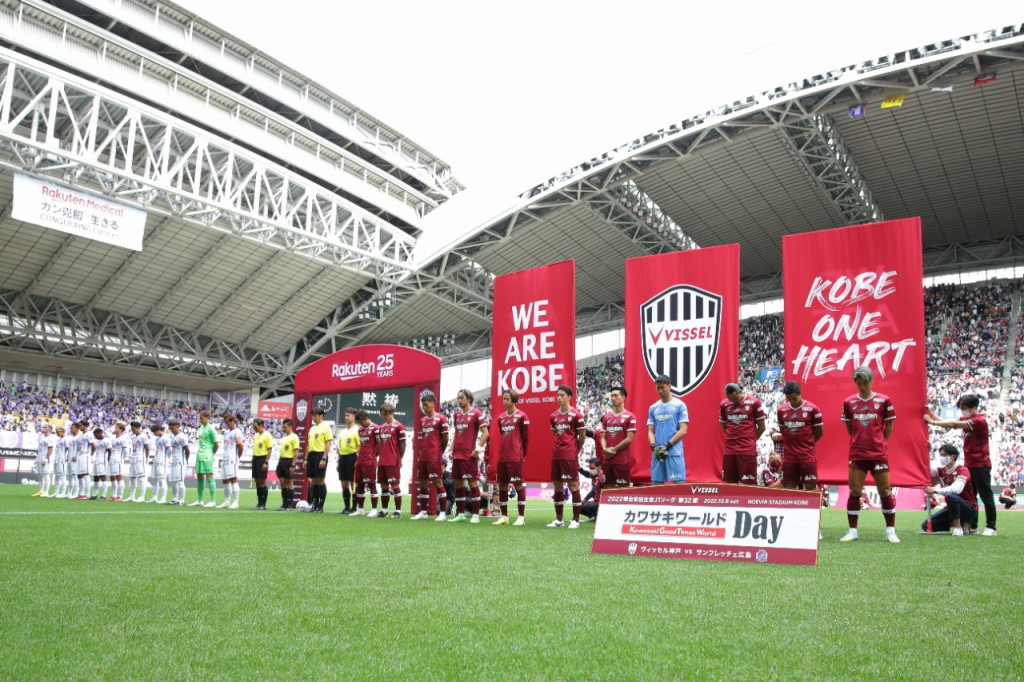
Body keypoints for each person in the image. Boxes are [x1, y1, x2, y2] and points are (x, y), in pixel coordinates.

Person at [839, 366, 899, 543]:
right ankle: (852, 531)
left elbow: (889, 427)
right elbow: (850, 429)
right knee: (854, 491)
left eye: (865, 383)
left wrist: (878, 442)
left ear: (871, 381)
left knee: (885, 490)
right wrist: (861, 441)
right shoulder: (849, 402)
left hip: (878, 453)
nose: (862, 387)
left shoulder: (884, 400)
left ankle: (890, 531)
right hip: (857, 453)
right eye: (859, 383)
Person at [924, 394, 997, 536]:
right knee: (971, 496)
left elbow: (953, 424)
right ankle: (973, 526)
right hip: (969, 463)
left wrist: (932, 422)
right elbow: (948, 422)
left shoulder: (979, 421)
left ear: (973, 407)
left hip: (981, 464)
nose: (962, 411)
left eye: (964, 408)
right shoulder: (967, 420)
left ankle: (991, 527)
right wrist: (931, 414)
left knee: (986, 495)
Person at [549, 384, 586, 529]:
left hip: (570, 455)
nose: (559, 398)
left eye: (562, 395)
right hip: (556, 454)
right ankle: (559, 519)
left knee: (573, 485)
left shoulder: (577, 415)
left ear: (569, 397)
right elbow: (555, 434)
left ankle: (575, 520)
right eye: (558, 395)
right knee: (557, 485)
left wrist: (576, 450)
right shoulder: (553, 416)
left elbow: (582, 436)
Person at [448, 389, 488, 524]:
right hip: (457, 455)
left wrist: (478, 449)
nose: (459, 400)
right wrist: (452, 448)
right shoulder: (457, 414)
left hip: (469, 455)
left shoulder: (476, 413)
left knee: (472, 483)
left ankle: (475, 515)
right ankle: (460, 514)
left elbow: (486, 433)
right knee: (458, 484)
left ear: (469, 399)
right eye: (458, 398)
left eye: (462, 397)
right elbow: (457, 433)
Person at [777, 381, 823, 492]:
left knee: (811, 489)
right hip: (789, 458)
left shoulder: (813, 409)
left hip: (807, 457)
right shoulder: (781, 410)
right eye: (789, 399)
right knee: (788, 489)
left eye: (794, 398)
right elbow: (783, 431)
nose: (792, 401)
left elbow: (819, 432)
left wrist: (807, 443)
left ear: (800, 394)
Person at [923, 443, 978, 536]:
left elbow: (956, 489)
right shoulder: (942, 471)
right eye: (940, 455)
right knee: (926, 525)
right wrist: (925, 452)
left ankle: (958, 528)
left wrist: (935, 490)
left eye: (944, 455)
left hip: (968, 508)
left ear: (953, 457)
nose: (941, 458)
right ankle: (962, 524)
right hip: (952, 507)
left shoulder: (962, 470)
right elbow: (926, 469)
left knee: (950, 495)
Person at [493, 388, 529, 526]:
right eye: (503, 398)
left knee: (518, 484)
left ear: (514, 400)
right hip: (503, 456)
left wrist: (521, 454)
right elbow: (503, 435)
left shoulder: (522, 416)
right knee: (502, 485)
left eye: (507, 398)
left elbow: (525, 438)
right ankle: (504, 516)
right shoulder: (501, 418)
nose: (505, 401)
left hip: (515, 456)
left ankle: (521, 517)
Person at [411, 390, 449, 521]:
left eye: (426, 404)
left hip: (434, 456)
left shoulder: (441, 419)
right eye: (423, 405)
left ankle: (443, 513)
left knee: (438, 482)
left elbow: (445, 438)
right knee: (422, 482)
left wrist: (439, 451)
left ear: (433, 403)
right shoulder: (423, 420)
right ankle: (423, 512)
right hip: (423, 456)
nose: (424, 407)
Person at [719, 383, 766, 485]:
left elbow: (762, 427)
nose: (732, 401)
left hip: (747, 449)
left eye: (734, 398)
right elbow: (724, 427)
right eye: (730, 399)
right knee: (728, 482)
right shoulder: (724, 404)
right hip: (730, 449)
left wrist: (751, 440)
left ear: (740, 392)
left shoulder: (754, 402)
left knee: (749, 483)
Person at [647, 374, 689, 486]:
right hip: (658, 453)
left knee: (679, 485)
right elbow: (650, 431)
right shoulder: (653, 408)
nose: (660, 391)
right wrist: (654, 446)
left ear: (669, 386)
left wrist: (667, 446)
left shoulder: (680, 405)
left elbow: (683, 430)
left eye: (662, 387)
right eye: (658, 388)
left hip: (674, 451)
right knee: (657, 485)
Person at [599, 386, 636, 491]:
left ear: (623, 397)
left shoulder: (630, 416)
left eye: (616, 396)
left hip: (622, 460)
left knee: (623, 489)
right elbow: (603, 437)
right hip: (607, 459)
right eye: (612, 396)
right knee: (607, 488)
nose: (613, 398)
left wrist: (613, 450)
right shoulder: (607, 417)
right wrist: (604, 449)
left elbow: (629, 439)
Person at [375, 403, 406, 519]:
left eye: (385, 414)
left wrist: (400, 458)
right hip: (382, 461)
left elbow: (403, 444)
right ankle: (384, 511)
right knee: (383, 486)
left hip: (393, 460)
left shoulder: (399, 426)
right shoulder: (381, 428)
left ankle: (398, 511)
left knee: (395, 485)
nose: (384, 417)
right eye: (382, 415)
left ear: (391, 413)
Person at [305, 408, 333, 512]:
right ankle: (315, 504)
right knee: (313, 481)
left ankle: (321, 506)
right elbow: (309, 444)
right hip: (311, 455)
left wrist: (324, 458)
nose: (313, 417)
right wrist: (306, 458)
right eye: (312, 415)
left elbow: (328, 443)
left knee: (320, 480)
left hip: (320, 454)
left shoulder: (326, 427)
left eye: (315, 415)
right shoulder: (312, 429)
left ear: (321, 415)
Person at [353, 410, 379, 516]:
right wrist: (358, 459)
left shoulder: (375, 428)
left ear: (366, 418)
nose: (361, 424)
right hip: (360, 461)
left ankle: (374, 510)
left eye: (361, 421)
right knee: (360, 485)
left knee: (371, 484)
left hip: (370, 461)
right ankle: (360, 510)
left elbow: (379, 444)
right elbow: (361, 445)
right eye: (359, 422)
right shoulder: (360, 430)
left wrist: (374, 456)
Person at [335, 407, 360, 514]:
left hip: (352, 457)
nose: (346, 417)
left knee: (353, 483)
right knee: (344, 483)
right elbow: (339, 448)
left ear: (354, 417)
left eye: (348, 415)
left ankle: (354, 507)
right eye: (345, 415)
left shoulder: (357, 430)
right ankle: (346, 507)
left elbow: (360, 446)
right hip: (343, 459)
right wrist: (338, 461)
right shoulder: (342, 432)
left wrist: (357, 460)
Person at [190, 410, 218, 507]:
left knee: (209, 475)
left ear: (207, 418)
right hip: (200, 455)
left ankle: (213, 501)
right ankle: (200, 500)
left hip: (207, 455)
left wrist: (212, 452)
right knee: (200, 476)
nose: (200, 420)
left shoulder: (211, 429)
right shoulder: (200, 429)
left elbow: (216, 444)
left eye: (201, 418)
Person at [217, 414, 243, 509]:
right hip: (225, 458)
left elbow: (241, 446)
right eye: (225, 423)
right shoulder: (226, 433)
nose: (227, 424)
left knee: (233, 479)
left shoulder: (237, 432)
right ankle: (227, 501)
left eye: (228, 422)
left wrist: (237, 457)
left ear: (233, 421)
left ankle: (235, 502)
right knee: (225, 480)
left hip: (232, 459)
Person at [275, 419, 299, 510]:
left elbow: (296, 452)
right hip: (282, 461)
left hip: (289, 461)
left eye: (285, 427)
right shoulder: (284, 438)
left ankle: (288, 505)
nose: (283, 428)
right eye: (283, 427)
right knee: (283, 483)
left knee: (290, 483)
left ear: (290, 426)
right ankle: (284, 504)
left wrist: (293, 465)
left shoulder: (294, 437)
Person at [250, 418, 273, 510]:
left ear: (261, 426)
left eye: (255, 427)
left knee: (262, 481)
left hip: (262, 459)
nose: (254, 429)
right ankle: (259, 503)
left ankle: (263, 504)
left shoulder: (267, 435)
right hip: (255, 459)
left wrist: (266, 462)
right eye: (253, 427)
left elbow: (269, 449)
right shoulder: (256, 436)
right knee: (257, 481)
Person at [166, 419, 190, 505]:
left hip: (180, 461)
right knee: (173, 481)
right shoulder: (173, 438)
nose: (171, 430)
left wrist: (186, 459)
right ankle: (174, 499)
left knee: (180, 481)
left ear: (177, 427)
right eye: (170, 428)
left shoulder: (182, 436)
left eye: (172, 428)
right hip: (174, 461)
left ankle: (182, 500)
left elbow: (187, 449)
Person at [127, 421, 151, 503]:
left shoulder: (143, 436)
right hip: (133, 458)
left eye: (133, 429)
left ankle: (142, 496)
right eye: (131, 429)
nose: (132, 431)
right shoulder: (133, 437)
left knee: (141, 478)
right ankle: (132, 496)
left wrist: (146, 458)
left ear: (138, 428)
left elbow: (147, 448)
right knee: (132, 477)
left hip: (140, 458)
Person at [32, 422, 57, 497]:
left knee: (46, 475)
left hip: (45, 458)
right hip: (40, 458)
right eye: (43, 427)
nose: (43, 428)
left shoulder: (51, 438)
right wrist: (37, 458)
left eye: (45, 427)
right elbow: (40, 449)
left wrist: (46, 459)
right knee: (39, 475)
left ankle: (46, 491)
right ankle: (41, 491)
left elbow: (50, 449)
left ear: (49, 429)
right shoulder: (42, 437)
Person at [147, 423, 169, 504]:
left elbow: (169, 450)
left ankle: (163, 498)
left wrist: (167, 459)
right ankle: (154, 497)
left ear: (159, 430)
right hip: (156, 460)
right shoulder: (157, 439)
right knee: (155, 479)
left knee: (162, 479)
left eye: (155, 432)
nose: (154, 434)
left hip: (163, 461)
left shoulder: (165, 438)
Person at [579, 456, 604, 521]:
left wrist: (584, 500)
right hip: (597, 500)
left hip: (603, 501)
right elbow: (587, 474)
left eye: (592, 468)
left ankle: (600, 516)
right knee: (580, 506)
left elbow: (593, 490)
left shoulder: (602, 476)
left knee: (583, 506)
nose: (591, 470)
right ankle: (596, 516)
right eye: (590, 468)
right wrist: (579, 469)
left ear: (599, 467)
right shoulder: (595, 474)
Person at [109, 422, 130, 501]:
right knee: (112, 477)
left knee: (119, 477)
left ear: (121, 429)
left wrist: (122, 459)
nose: (115, 429)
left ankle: (120, 496)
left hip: (118, 459)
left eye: (116, 428)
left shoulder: (123, 439)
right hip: (112, 459)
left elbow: (126, 451)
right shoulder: (113, 439)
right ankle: (113, 495)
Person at [73, 420, 92, 500]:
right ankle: (81, 493)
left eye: (81, 426)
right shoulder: (80, 436)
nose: (80, 427)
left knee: (85, 474)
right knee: (79, 474)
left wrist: (91, 455)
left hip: (85, 455)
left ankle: (87, 494)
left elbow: (93, 445)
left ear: (85, 426)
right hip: (80, 456)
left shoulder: (89, 434)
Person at [90, 426, 110, 501]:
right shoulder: (97, 441)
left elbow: (109, 450)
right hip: (96, 460)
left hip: (103, 460)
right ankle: (95, 494)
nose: (95, 437)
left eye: (96, 435)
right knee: (96, 477)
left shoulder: (106, 440)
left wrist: (109, 460)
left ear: (100, 433)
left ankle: (103, 495)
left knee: (103, 477)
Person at [51, 425, 69, 497]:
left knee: (62, 475)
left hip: (61, 459)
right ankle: (56, 492)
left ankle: (63, 492)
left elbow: (68, 448)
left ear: (62, 431)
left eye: (58, 431)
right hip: (56, 459)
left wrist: (66, 457)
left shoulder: (66, 439)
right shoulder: (58, 440)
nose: (56, 433)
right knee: (56, 476)